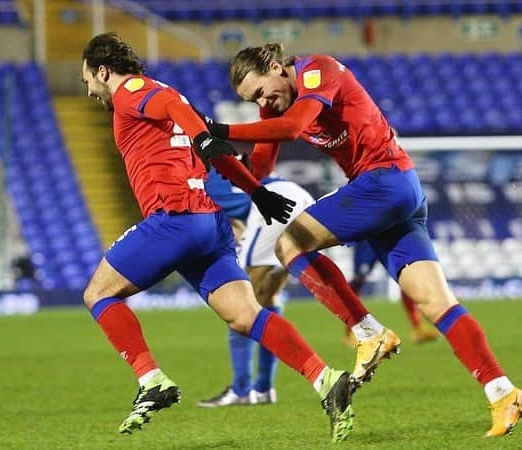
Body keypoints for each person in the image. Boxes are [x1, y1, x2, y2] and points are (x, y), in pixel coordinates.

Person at [200, 42, 522, 437]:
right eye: (252, 99)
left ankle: (368, 333)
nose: (262, 101)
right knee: (435, 303)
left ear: (276, 67)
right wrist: (221, 160)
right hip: (391, 194)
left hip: (384, 182)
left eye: (261, 91)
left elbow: (292, 128)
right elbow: (261, 166)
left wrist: (218, 130)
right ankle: (503, 392)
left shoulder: (316, 70)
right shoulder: (275, 105)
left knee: (290, 244)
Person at [80, 33, 355, 443]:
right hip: (209, 222)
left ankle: (150, 378)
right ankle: (325, 378)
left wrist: (209, 140)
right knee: (247, 316)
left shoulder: (132, 91)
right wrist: (255, 190)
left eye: (88, 79)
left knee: (98, 293)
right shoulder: (168, 97)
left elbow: (191, 126)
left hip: (174, 218)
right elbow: (211, 149)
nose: (88, 89)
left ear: (103, 71)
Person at [197, 166, 315, 407]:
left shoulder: (197, 180)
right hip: (301, 200)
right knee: (268, 297)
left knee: (240, 302)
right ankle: (263, 388)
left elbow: (230, 226)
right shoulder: (216, 166)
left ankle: (241, 389)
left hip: (272, 204)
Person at [343, 240, 440, 347]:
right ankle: (351, 332)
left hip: (388, 236)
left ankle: (418, 328)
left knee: (405, 276)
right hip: (367, 239)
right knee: (358, 281)